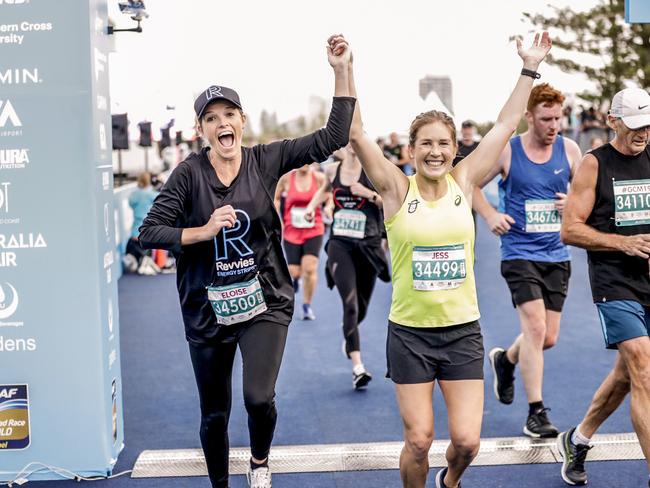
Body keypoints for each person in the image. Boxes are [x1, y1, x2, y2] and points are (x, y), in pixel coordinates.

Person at [138, 38, 355, 488]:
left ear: (242, 120)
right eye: (212, 118)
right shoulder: (188, 174)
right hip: (206, 308)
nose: (222, 123)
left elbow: (332, 137)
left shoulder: (265, 159)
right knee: (214, 415)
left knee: (258, 398)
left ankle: (259, 462)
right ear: (201, 131)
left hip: (264, 299)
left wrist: (340, 69)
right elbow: (149, 233)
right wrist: (202, 231)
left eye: (229, 115)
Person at [338, 32, 552, 488]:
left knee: (468, 441)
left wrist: (529, 67)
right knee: (418, 441)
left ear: (455, 149)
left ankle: (449, 480)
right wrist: (344, 69)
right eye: (426, 144)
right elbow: (354, 132)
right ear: (411, 149)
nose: (435, 152)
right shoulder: (397, 189)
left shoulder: (465, 181)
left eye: (443, 144)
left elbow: (506, 125)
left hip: (461, 333)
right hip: (411, 334)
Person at [472, 83, 582, 438]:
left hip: (557, 254)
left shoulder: (570, 150)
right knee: (534, 328)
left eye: (558, 119)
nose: (554, 126)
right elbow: (469, 183)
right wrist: (489, 214)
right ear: (529, 116)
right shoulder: (508, 151)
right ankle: (536, 413)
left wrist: (574, 205)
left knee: (547, 337)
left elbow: (589, 197)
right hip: (519, 252)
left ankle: (507, 360)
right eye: (546, 119)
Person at [557, 87, 650, 487]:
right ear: (613, 122)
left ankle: (577, 439)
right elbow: (570, 229)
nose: (642, 132)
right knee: (644, 368)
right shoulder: (595, 164)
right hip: (615, 282)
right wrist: (622, 242)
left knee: (626, 375)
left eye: (647, 124)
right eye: (634, 125)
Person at [312, 144, 390, 389]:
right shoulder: (332, 170)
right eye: (347, 141)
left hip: (369, 245)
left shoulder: (374, 171)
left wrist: (369, 195)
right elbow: (324, 191)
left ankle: (349, 333)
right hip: (340, 243)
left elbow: (390, 204)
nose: (352, 145)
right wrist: (309, 207)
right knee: (350, 304)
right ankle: (358, 367)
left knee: (361, 307)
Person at [273, 164, 329, 320]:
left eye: (309, 161)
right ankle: (296, 279)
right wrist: (278, 220)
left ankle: (306, 305)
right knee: (294, 272)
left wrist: (328, 207)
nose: (305, 164)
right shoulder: (286, 179)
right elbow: (276, 198)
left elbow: (329, 195)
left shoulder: (318, 178)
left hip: (314, 229)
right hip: (292, 230)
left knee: (310, 269)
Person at [125, 171, 160, 275]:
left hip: (135, 233)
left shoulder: (134, 195)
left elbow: (131, 203)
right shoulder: (152, 194)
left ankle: (137, 259)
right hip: (147, 233)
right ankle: (145, 261)